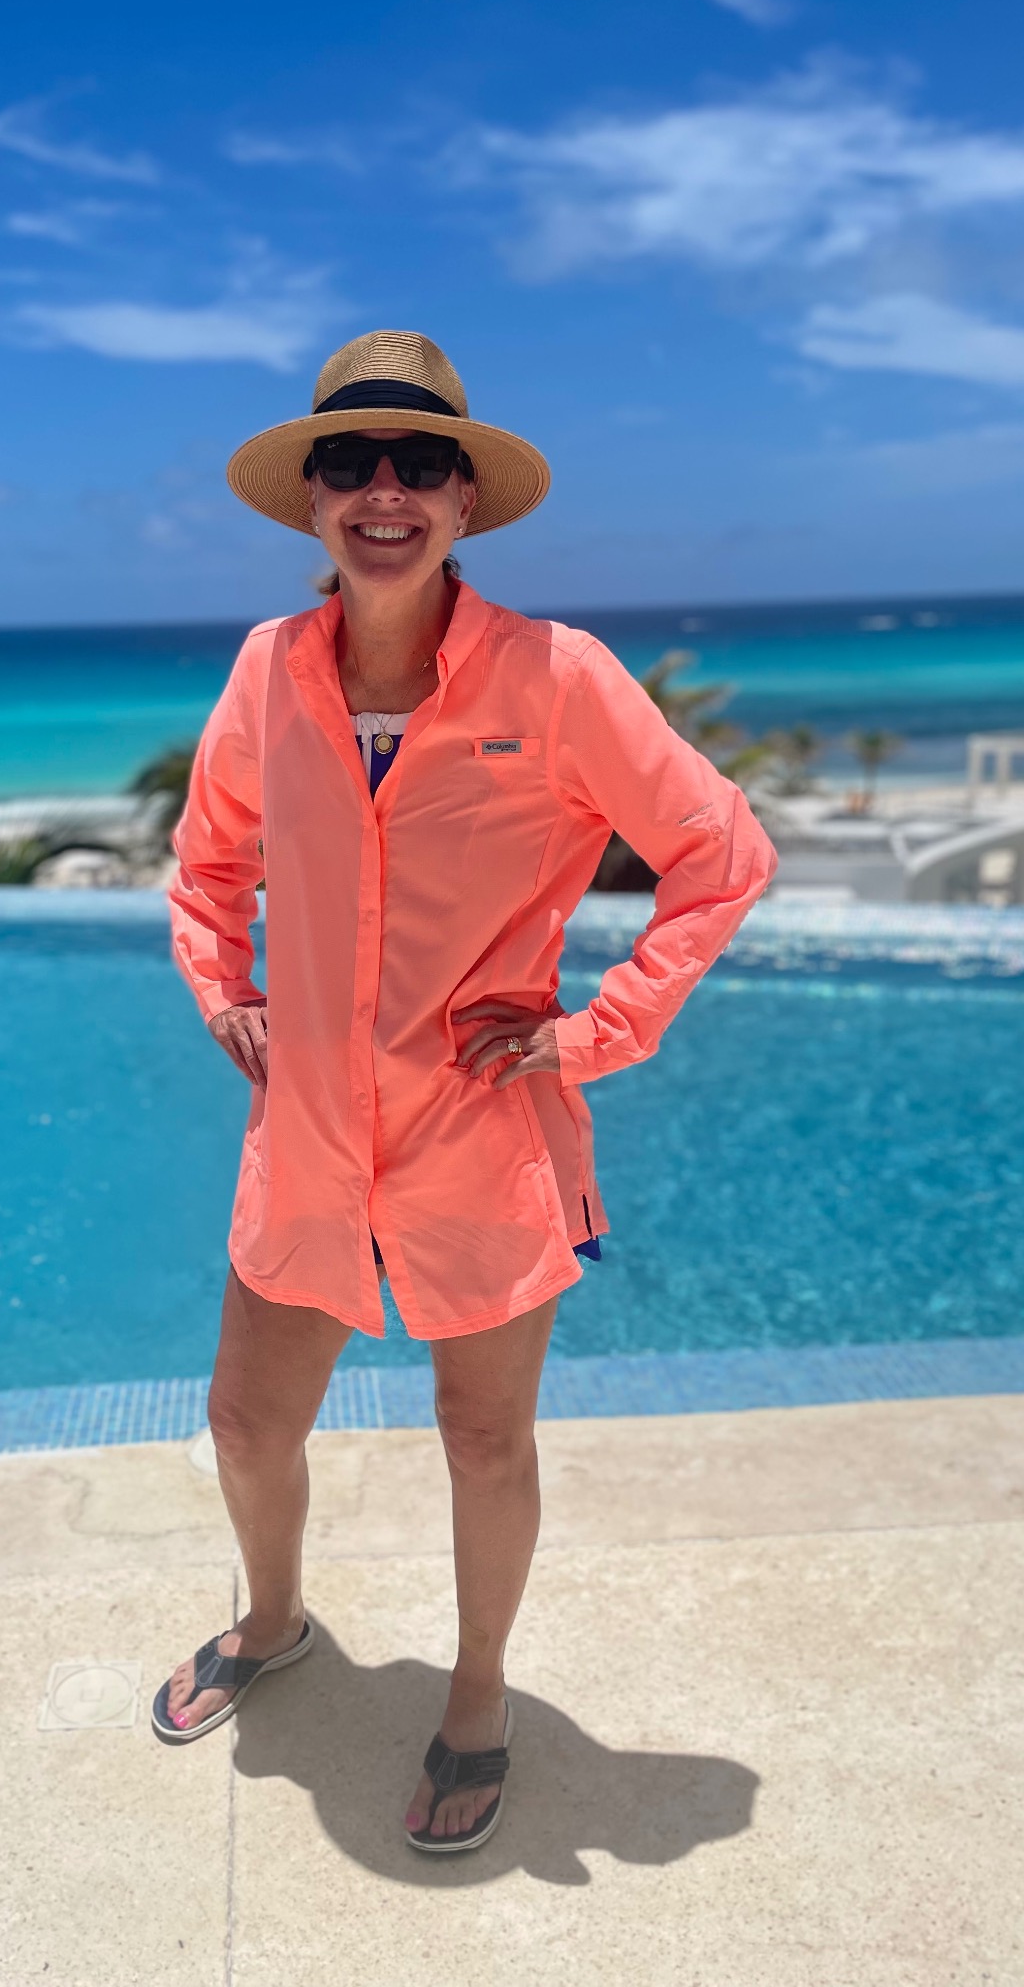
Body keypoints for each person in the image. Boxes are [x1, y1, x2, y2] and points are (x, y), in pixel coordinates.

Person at [154, 330, 777, 1853]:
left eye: (420, 461)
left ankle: (479, 1695)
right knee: (245, 1420)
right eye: (351, 463)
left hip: (478, 1130)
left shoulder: (557, 677)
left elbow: (723, 854)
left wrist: (598, 1029)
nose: (386, 492)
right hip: (308, 1128)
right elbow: (209, 860)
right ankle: (276, 1622)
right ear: (313, 498)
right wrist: (221, 986)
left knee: (483, 1439)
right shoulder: (268, 669)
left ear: (463, 498)